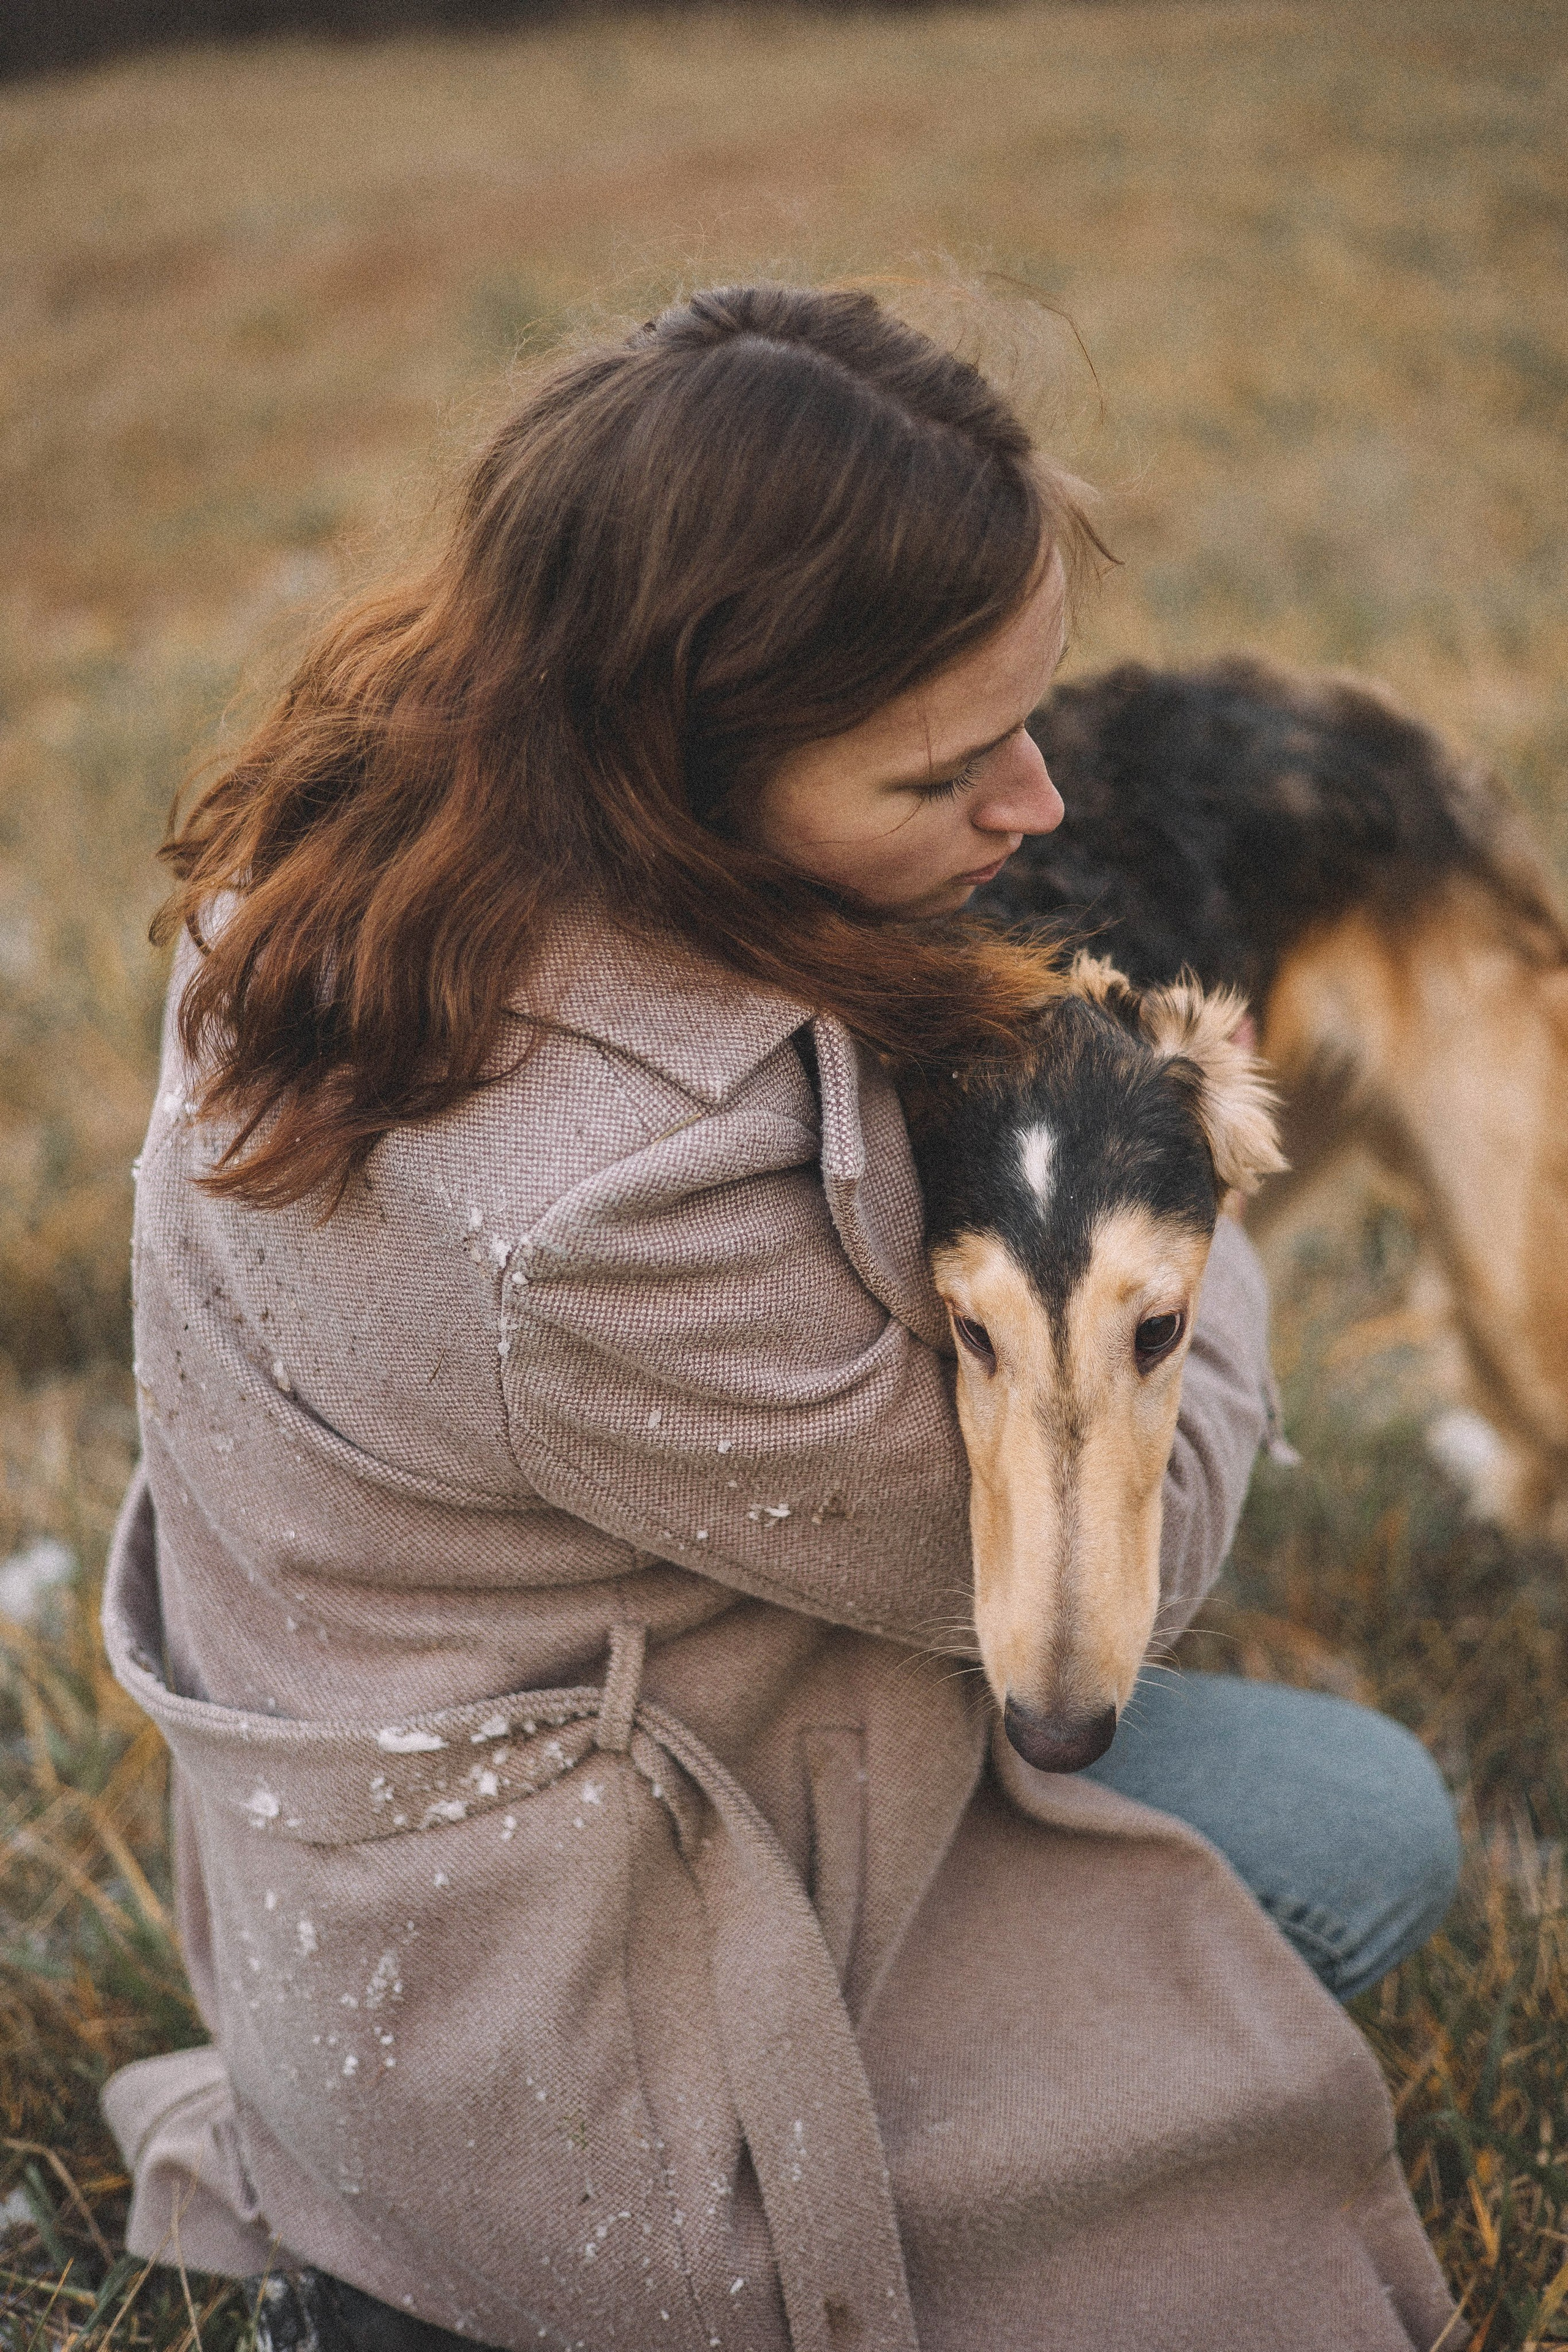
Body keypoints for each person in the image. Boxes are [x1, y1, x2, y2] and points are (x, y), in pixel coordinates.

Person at [102, 285, 1461, 2351]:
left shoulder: (373, 860)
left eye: (1038, 713)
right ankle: (504, 2279)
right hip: (566, 1964)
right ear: (683, 767)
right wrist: (1174, 1199)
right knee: (1366, 1842)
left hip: (466, 1781)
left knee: (1321, 1821)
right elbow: (1091, 1578)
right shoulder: (593, 1211)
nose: (1040, 806)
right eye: (941, 775)